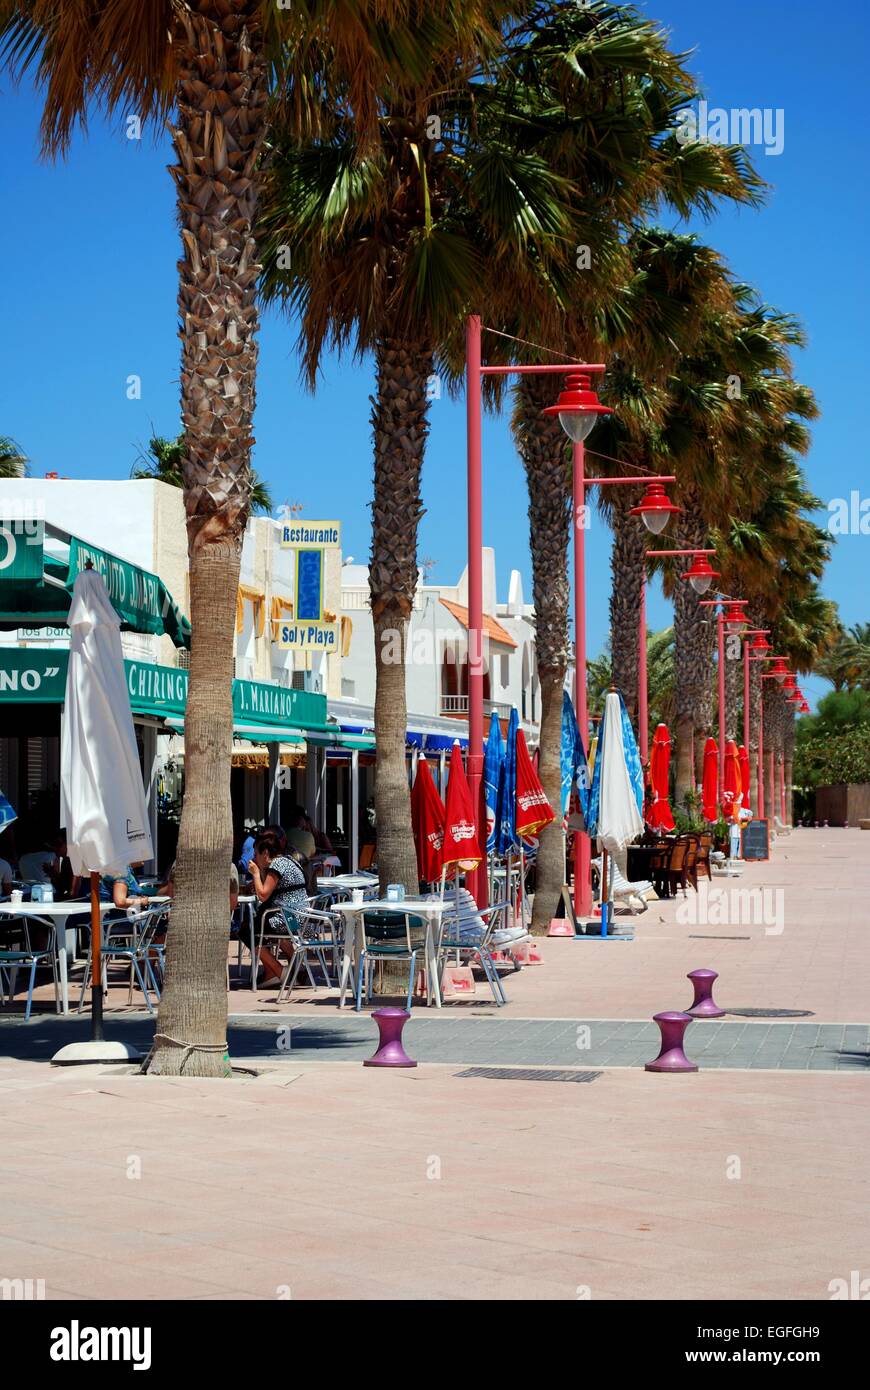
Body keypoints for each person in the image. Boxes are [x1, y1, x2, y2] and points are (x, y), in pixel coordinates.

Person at [247, 828, 311, 982]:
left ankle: (279, 972)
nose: (254, 858)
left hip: (288, 918)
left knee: (247, 930)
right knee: (264, 929)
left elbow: (262, 895)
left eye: (256, 854)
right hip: (301, 917)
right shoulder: (289, 860)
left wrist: (256, 873)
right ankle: (298, 969)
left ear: (265, 854)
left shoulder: (277, 866)